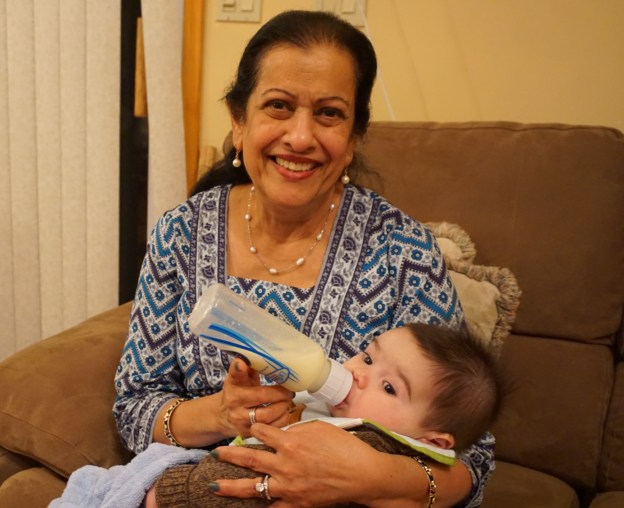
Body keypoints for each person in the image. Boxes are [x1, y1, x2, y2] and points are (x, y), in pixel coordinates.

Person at [114, 9, 496, 507]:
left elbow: (472, 457)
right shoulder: (181, 234)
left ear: (355, 134)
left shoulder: (402, 251)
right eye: (278, 106)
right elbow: (135, 406)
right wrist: (221, 414)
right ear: (238, 117)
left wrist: (370, 475)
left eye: (329, 113)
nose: (300, 137)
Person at [144, 323, 504, 507]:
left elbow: (475, 461)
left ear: (432, 442)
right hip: (177, 476)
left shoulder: (372, 444)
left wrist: (380, 477)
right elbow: (136, 402)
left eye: (389, 387)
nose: (358, 373)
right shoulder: (321, 407)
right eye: (367, 356)